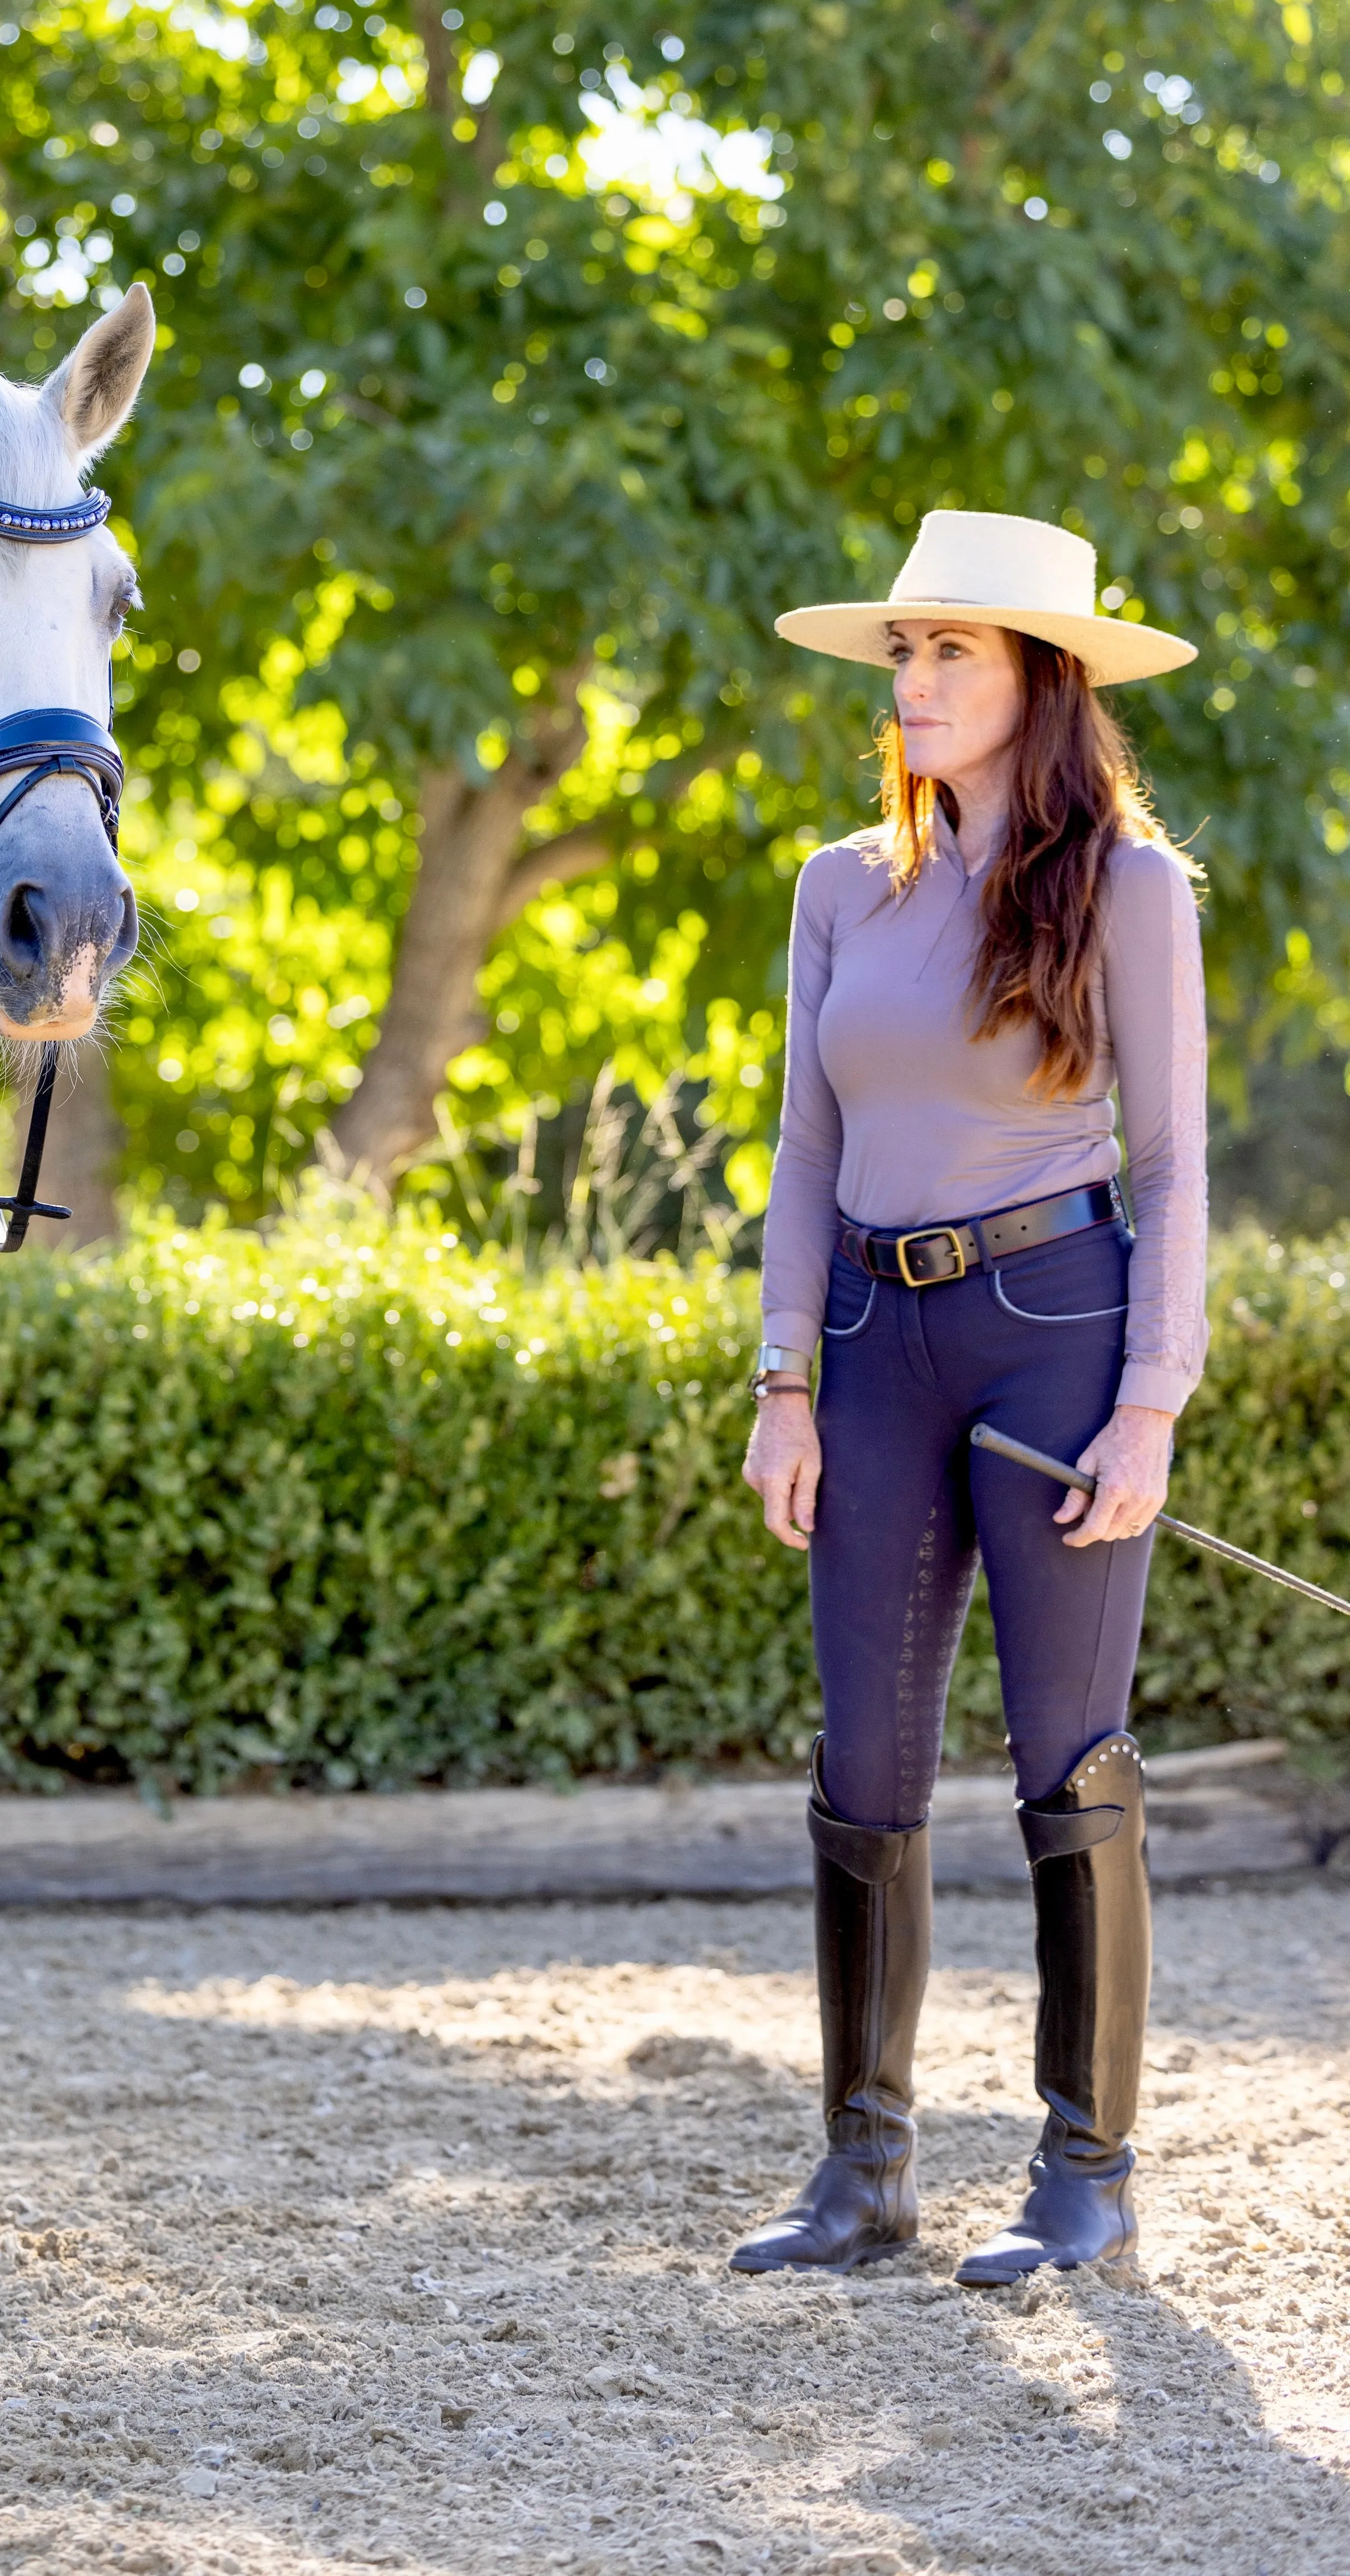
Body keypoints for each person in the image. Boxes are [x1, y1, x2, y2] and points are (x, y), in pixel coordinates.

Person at [730, 508, 1206, 2287]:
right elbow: (804, 1144)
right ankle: (868, 2170)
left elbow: (1174, 1164)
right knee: (865, 1760)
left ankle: (1087, 2170)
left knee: (1067, 1758)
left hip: (1055, 1323)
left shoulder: (1133, 893)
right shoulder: (841, 884)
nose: (913, 680)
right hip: (872, 1336)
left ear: (1041, 679)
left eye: (953, 650)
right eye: (904, 651)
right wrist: (787, 1377)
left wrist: (1150, 1397)